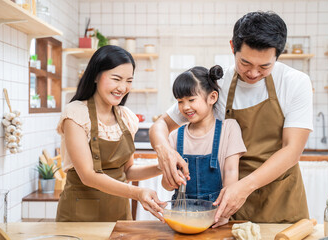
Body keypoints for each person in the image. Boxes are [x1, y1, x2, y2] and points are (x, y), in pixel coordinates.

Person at [150, 11, 313, 223]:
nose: (253, 73)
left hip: (280, 197)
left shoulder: (295, 82)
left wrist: (244, 187)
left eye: (265, 66)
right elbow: (161, 124)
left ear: (277, 56)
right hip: (228, 198)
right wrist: (164, 151)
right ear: (232, 47)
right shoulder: (219, 83)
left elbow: (291, 151)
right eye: (245, 63)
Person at [56, 45, 165, 222]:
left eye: (129, 81)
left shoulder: (127, 117)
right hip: (79, 217)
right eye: (116, 79)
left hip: (119, 215)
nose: (123, 87)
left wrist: (162, 168)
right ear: (96, 76)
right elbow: (88, 175)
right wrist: (138, 193)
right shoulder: (75, 114)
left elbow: (127, 171)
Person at [161, 65, 246, 227]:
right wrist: (171, 178)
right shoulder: (174, 136)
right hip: (181, 219)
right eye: (180, 101)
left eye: (191, 100)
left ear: (212, 97)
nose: (185, 107)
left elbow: (231, 172)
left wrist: (224, 213)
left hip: (216, 217)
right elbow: (165, 185)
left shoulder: (229, 129)